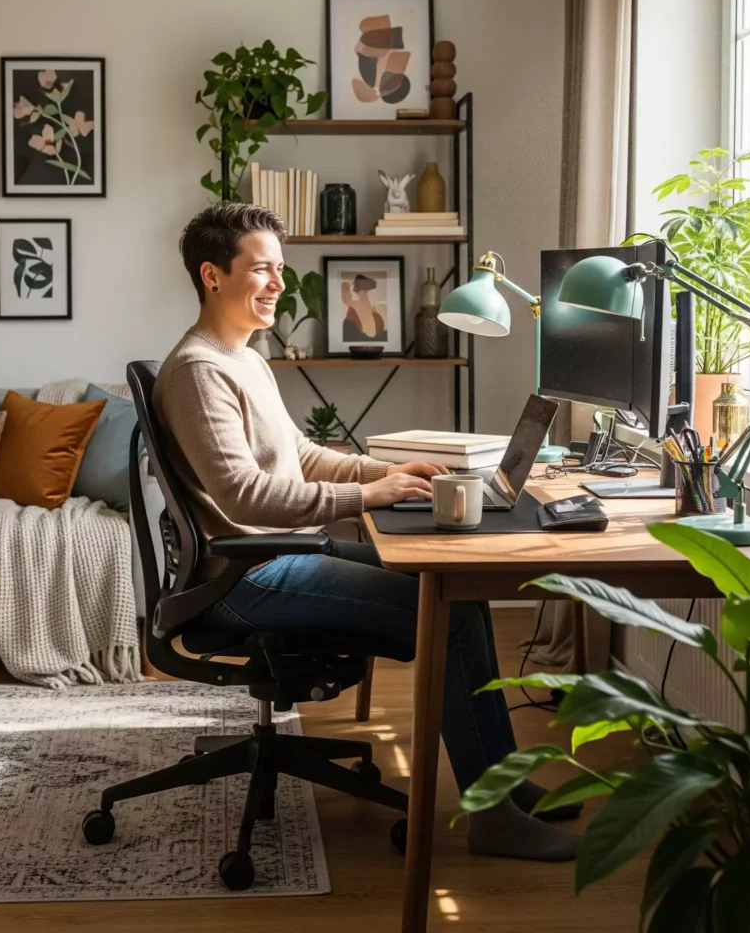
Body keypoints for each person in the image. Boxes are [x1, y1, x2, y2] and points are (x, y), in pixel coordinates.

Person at [153, 202, 580, 861]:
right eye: (261, 269)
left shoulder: (244, 357)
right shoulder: (198, 371)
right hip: (246, 576)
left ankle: (502, 788)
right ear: (212, 275)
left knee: (460, 595)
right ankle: (493, 818)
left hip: (274, 557)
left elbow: (298, 455)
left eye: (280, 269)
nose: (277, 284)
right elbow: (245, 493)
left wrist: (387, 470)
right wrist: (366, 494)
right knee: (452, 615)